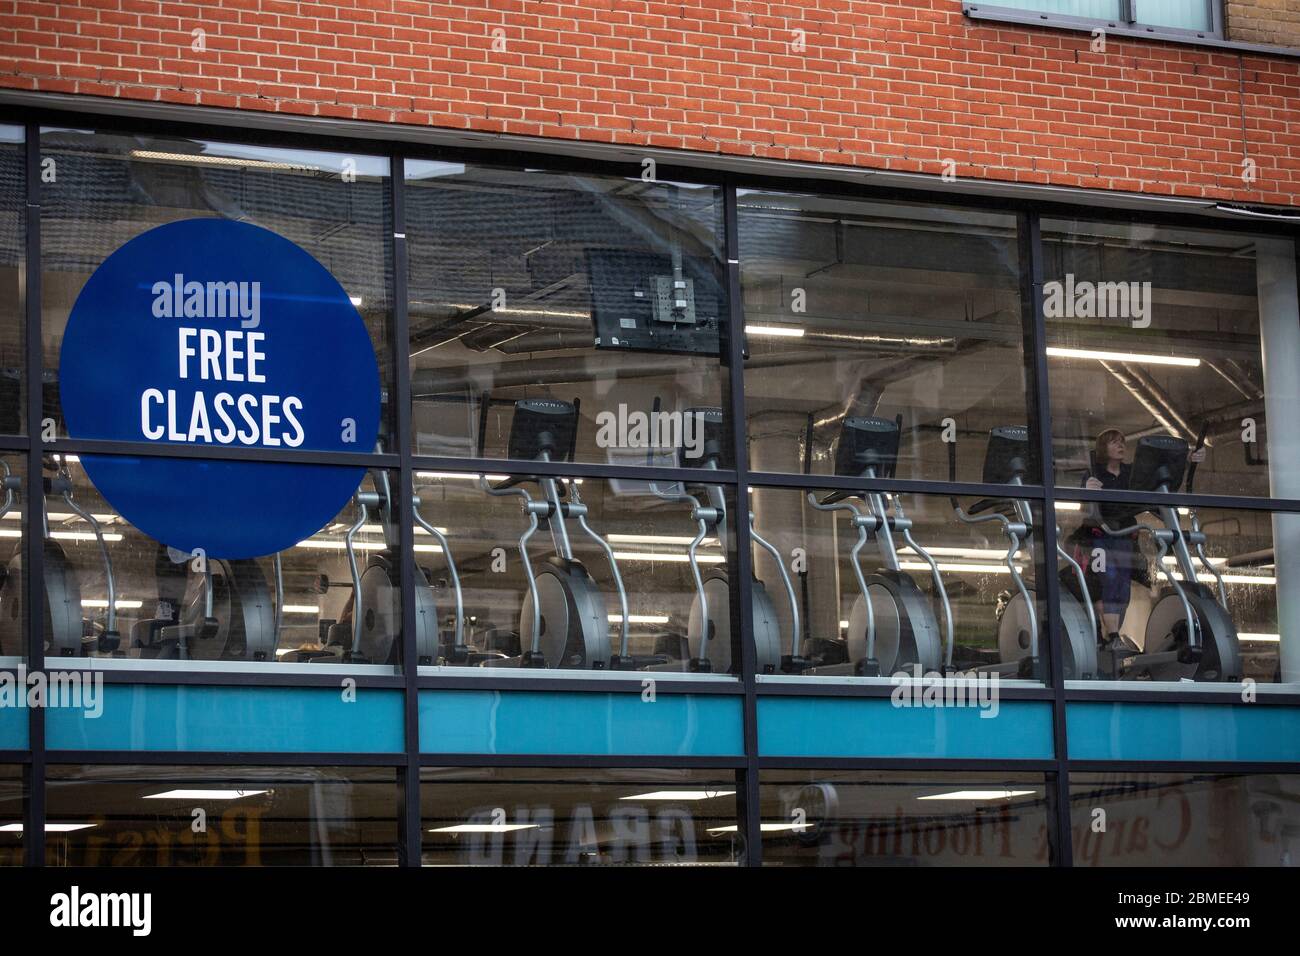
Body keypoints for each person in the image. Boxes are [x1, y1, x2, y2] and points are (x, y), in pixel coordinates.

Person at [1075, 428, 1204, 650]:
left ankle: (1112, 636)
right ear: (1103, 448)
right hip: (1101, 536)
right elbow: (1084, 509)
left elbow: (1155, 483)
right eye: (1114, 442)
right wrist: (1087, 491)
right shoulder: (1094, 474)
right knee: (1107, 583)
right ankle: (1110, 634)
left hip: (1125, 535)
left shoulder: (1131, 473)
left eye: (1123, 442)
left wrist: (1189, 459)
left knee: (1122, 587)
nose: (1121, 446)